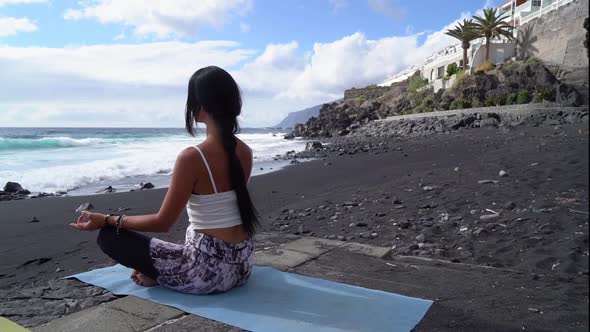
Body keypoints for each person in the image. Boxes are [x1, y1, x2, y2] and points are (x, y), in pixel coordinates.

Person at [69, 66, 259, 295]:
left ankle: (159, 276)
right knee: (177, 249)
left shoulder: (192, 157)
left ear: (200, 105)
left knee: (109, 237)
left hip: (207, 276)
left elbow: (162, 223)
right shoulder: (245, 152)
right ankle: (160, 272)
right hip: (240, 268)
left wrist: (107, 219)